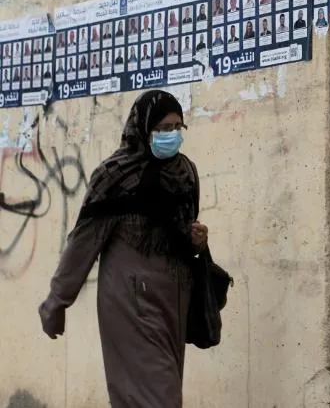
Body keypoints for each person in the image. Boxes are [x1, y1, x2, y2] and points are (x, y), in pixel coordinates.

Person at [38, 90, 209, 408]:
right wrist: (57, 301)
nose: (171, 135)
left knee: (150, 395)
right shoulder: (113, 176)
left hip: (173, 303)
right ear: (143, 128)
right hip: (131, 301)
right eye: (163, 128)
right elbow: (83, 243)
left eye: (177, 127)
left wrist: (199, 241)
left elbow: (182, 235)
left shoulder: (185, 172)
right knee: (161, 397)